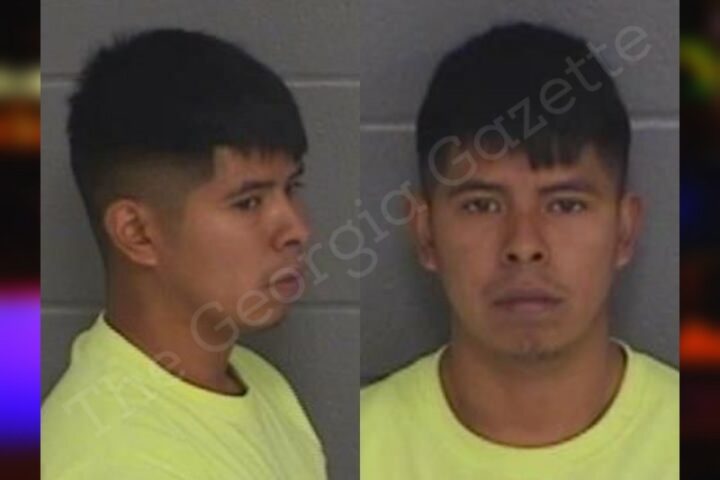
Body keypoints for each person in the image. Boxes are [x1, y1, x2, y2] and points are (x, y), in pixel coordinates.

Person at [361, 23, 678, 479]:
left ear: (624, 231)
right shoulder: (359, 446)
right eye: (481, 205)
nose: (524, 245)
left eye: (566, 205)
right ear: (426, 233)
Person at [42, 29, 326, 479]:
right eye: (248, 202)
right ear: (137, 233)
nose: (298, 230)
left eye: (292, 188)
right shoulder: (108, 460)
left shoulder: (259, 380)